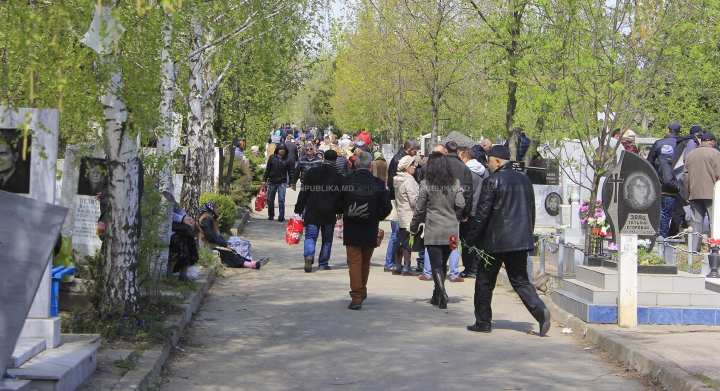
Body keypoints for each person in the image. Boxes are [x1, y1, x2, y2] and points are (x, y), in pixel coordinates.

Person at [465, 145, 551, 335]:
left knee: (484, 281)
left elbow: (482, 215)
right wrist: (528, 235)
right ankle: (540, 310)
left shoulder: (492, 181)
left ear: (497, 161)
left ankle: (483, 321)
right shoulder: (525, 180)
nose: (487, 164)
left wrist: (471, 239)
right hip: (519, 240)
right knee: (520, 280)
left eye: (489, 161)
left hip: (495, 242)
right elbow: (531, 211)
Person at [333, 151, 392, 310]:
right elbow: (387, 207)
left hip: (351, 227)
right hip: (370, 227)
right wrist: (375, 216)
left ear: (355, 164)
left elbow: (336, 204)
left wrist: (346, 211)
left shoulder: (346, 181)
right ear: (371, 165)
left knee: (354, 262)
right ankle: (362, 290)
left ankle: (357, 296)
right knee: (365, 261)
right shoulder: (378, 183)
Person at [409, 152, 465, 309]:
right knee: (443, 263)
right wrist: (452, 211)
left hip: (434, 228)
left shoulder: (426, 184)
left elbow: (419, 209)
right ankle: (436, 295)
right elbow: (461, 204)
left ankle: (442, 293)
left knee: (436, 264)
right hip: (452, 230)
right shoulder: (455, 183)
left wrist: (414, 227)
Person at [295, 150, 344, 272]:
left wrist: (299, 208)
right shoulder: (338, 177)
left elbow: (303, 192)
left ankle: (309, 255)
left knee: (311, 237)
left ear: (323, 158)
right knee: (327, 240)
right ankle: (323, 263)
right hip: (329, 212)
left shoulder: (312, 172)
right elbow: (340, 197)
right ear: (335, 161)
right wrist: (340, 211)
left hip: (313, 210)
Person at [198, 200, 269, 269]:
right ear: (211, 209)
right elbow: (211, 237)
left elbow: (218, 236)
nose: (218, 209)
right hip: (207, 247)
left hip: (212, 245)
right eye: (216, 207)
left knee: (232, 250)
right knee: (227, 254)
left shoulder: (212, 218)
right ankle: (251, 264)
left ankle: (252, 262)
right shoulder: (206, 219)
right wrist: (225, 245)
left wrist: (226, 244)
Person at [684, 132, 720, 251]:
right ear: (712, 142)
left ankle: (694, 249)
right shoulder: (715, 153)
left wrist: (687, 193)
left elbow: (686, 176)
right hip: (712, 193)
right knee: (713, 221)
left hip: (695, 192)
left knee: (696, 222)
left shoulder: (690, 154)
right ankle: (713, 247)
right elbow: (719, 174)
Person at [458, 148, 488, 279]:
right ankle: (480, 266)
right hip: (482, 210)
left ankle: (470, 268)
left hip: (469, 210)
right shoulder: (485, 171)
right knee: (479, 241)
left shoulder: (466, 171)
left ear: (465, 158)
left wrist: (463, 211)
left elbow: (465, 192)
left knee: (467, 240)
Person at [392, 155, 420, 276]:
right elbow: (414, 200)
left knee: (400, 239)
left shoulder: (398, 179)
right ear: (406, 167)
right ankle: (406, 266)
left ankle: (397, 265)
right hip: (410, 213)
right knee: (408, 240)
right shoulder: (409, 180)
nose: (414, 167)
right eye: (412, 165)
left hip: (402, 212)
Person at [164, 191, 200, 281]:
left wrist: (186, 216)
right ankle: (168, 274)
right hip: (161, 230)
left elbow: (176, 207)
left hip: (174, 227)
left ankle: (184, 274)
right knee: (180, 241)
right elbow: (162, 211)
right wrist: (182, 219)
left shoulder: (166, 187)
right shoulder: (151, 189)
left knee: (190, 239)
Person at [262, 143, 294, 222]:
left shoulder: (288, 159)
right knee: (270, 199)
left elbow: (291, 172)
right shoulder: (272, 158)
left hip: (282, 182)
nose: (282, 150)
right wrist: (264, 179)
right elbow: (268, 170)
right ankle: (271, 215)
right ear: (277, 150)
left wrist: (291, 182)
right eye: (280, 149)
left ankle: (281, 216)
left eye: (283, 149)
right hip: (272, 181)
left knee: (281, 199)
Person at [655, 145, 680, 238]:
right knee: (666, 216)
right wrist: (677, 187)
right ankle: (663, 237)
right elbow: (667, 181)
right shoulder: (666, 166)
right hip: (667, 193)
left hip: (661, 192)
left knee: (662, 215)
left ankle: (660, 234)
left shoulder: (659, 163)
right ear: (671, 155)